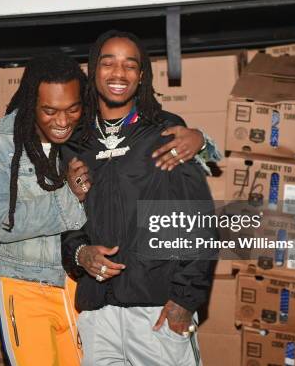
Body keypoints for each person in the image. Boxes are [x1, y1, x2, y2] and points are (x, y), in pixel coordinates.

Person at [0, 51, 212, 366]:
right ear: (32, 102)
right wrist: (70, 194)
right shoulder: (0, 144)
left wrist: (202, 141)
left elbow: (139, 131)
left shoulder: (85, 132)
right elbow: (4, 224)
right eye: (49, 110)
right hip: (27, 283)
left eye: (72, 108)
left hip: (79, 288)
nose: (61, 121)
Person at [61, 30, 217, 366]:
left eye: (129, 65)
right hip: (97, 313)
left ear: (141, 76)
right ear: (93, 70)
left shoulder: (166, 131)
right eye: (108, 63)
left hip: (157, 311)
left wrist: (185, 300)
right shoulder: (77, 144)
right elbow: (69, 222)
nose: (119, 73)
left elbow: (199, 222)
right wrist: (80, 252)